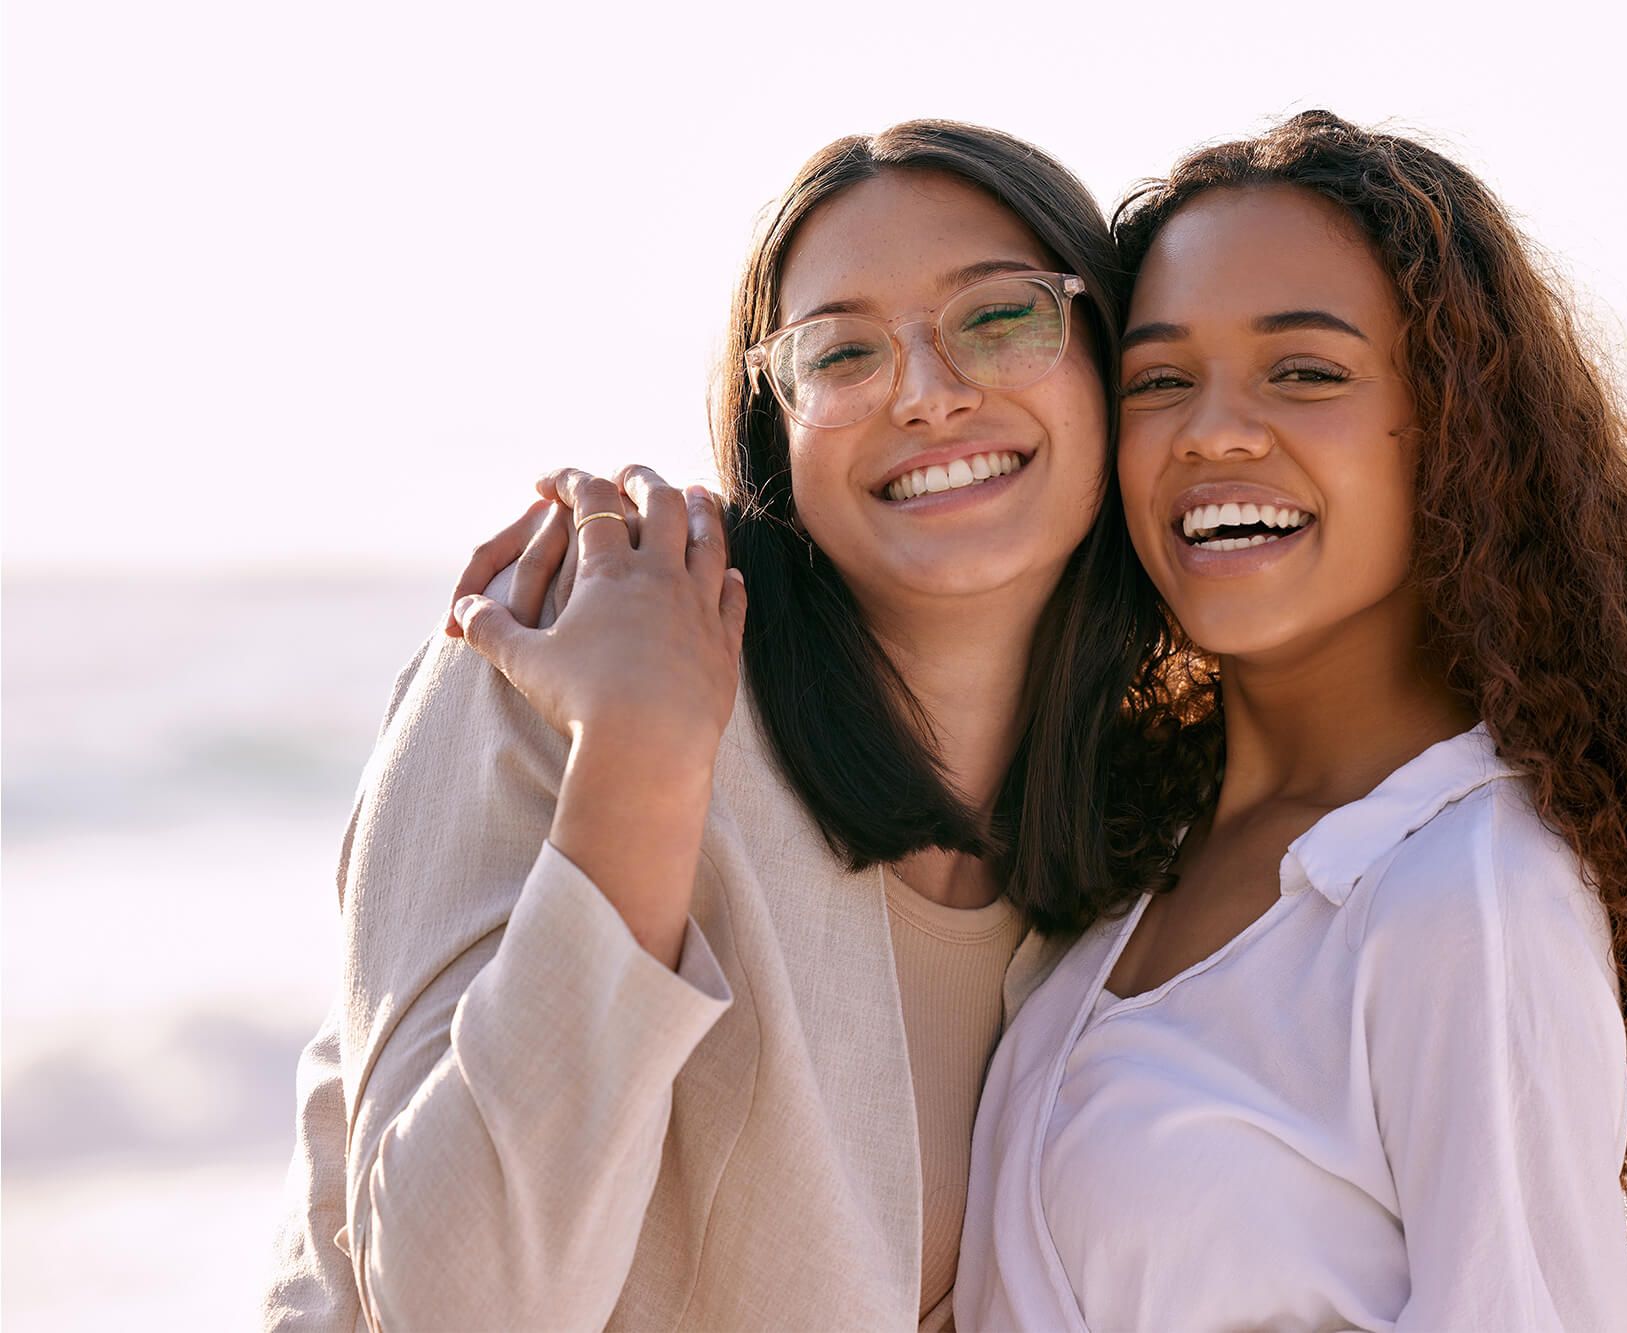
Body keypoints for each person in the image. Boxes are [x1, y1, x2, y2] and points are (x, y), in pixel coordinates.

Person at [259, 120, 1198, 1332]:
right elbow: (457, 1304)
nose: (923, 393)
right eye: (840, 351)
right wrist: (642, 767)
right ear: (777, 426)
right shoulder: (571, 651)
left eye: (1000, 316)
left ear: (1110, 360)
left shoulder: (1142, 835)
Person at [952, 111, 1627, 1333]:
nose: (1211, 429)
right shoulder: (1115, 856)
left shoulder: (1464, 889)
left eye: (1305, 371)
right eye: (1158, 380)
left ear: (1456, 434)